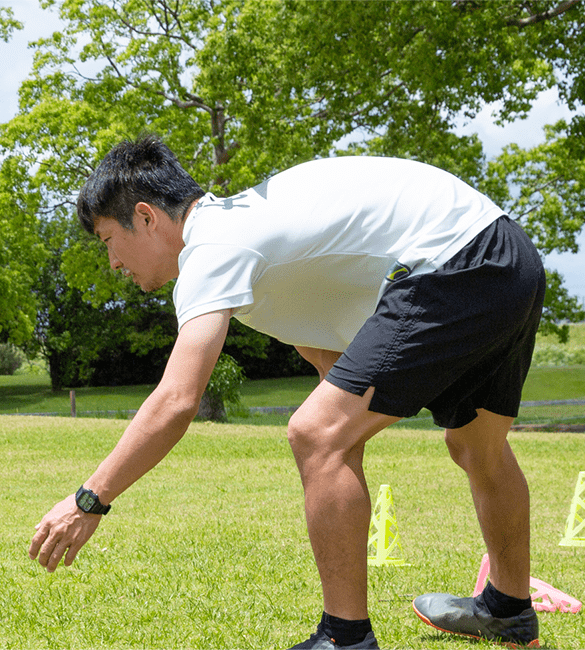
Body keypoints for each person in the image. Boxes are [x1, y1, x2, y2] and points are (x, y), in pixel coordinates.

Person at [28, 135, 545, 649]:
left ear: (145, 217)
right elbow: (332, 363)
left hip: (456, 261)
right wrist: (342, 444)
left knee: (315, 434)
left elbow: (177, 399)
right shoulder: (255, 239)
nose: (113, 263)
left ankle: (344, 638)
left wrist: (88, 501)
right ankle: (508, 609)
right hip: (507, 258)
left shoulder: (215, 245)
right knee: (476, 447)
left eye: (106, 241)